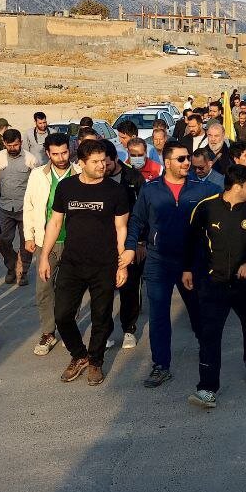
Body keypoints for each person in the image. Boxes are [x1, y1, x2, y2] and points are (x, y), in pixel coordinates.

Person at [39, 140, 130, 387]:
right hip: (72, 263)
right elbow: (55, 223)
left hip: (105, 264)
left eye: (104, 161)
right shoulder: (67, 187)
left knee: (101, 317)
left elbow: (121, 229)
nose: (102, 165)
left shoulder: (115, 191)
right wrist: (45, 256)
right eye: (96, 162)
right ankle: (79, 355)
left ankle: (96, 362)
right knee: (62, 315)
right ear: (82, 164)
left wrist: (122, 265)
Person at [124, 139, 212, 388]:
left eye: (189, 158)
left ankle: (207, 352)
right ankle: (160, 365)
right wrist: (131, 247)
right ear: (167, 162)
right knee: (159, 316)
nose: (187, 163)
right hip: (158, 261)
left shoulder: (201, 190)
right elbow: (137, 221)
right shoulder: (150, 190)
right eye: (182, 159)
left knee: (198, 312)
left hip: (191, 263)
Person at [182, 164, 246, 409]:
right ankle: (207, 389)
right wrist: (187, 269)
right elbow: (191, 241)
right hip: (213, 284)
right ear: (237, 186)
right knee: (209, 335)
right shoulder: (206, 208)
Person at [22, 133, 79, 357]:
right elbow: (29, 205)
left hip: (75, 241)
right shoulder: (37, 175)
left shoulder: (80, 173)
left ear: (70, 150)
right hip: (46, 242)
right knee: (44, 289)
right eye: (55, 154)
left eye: (64, 152)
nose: (61, 157)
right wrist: (28, 236)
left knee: (70, 289)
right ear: (47, 153)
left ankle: (68, 330)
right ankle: (48, 332)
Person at [106, 145, 146, 351]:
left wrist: (140, 242)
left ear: (115, 159)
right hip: (104, 244)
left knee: (129, 288)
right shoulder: (96, 179)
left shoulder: (134, 178)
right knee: (103, 290)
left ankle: (129, 328)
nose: (102, 167)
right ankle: (104, 332)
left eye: (106, 162)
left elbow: (143, 212)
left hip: (130, 242)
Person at [0, 128, 39, 286]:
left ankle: (22, 272)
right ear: (4, 143)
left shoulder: (31, 160)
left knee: (27, 242)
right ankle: (11, 267)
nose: (12, 148)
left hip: (25, 210)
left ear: (21, 143)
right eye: (9, 145)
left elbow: (37, 186)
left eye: (15, 145)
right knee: (3, 240)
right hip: (4, 208)